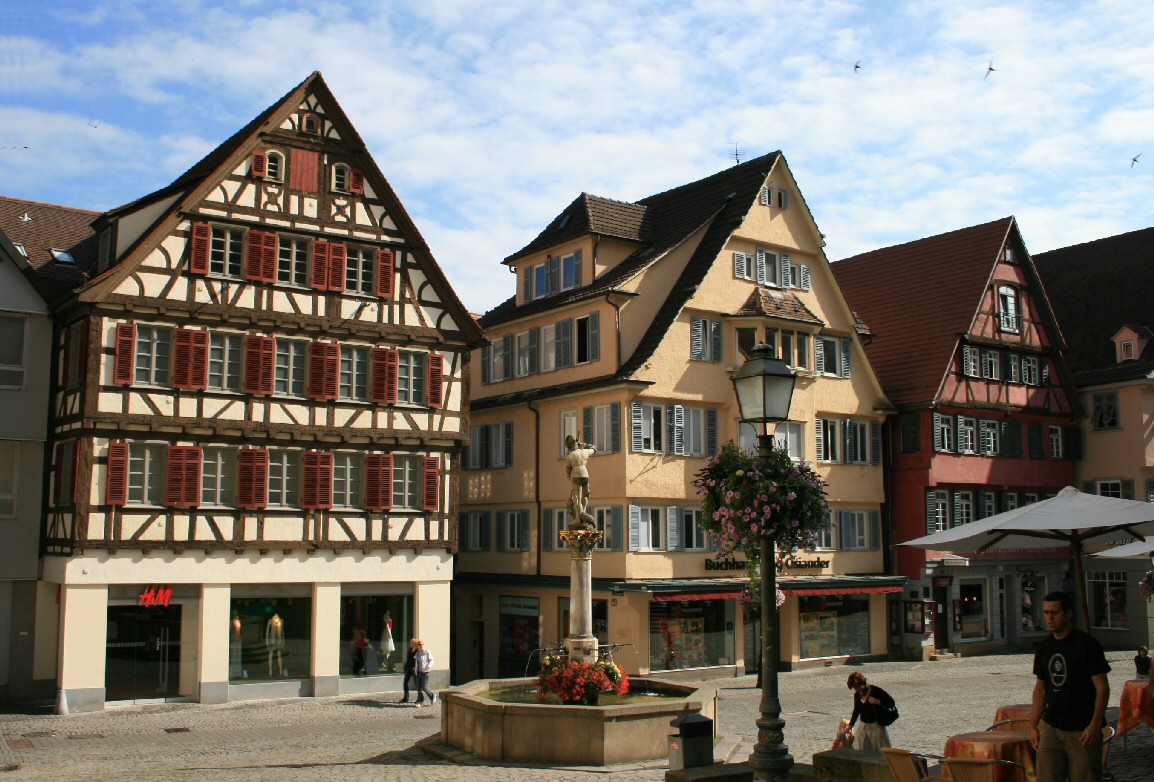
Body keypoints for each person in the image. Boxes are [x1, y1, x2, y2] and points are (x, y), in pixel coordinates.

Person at [1030, 591, 1110, 782]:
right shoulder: (1044, 647)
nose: (1049, 618)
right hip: (1052, 726)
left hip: (1081, 729)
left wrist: (1095, 724)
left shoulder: (1087, 644)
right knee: (1047, 776)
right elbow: (1040, 688)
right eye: (1046, 612)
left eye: (1054, 613)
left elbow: (1102, 687)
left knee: (1085, 776)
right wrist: (1033, 725)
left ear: (1069, 613)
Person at [846, 671, 895, 751]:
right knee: (859, 751)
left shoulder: (876, 691)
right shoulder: (857, 695)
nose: (856, 690)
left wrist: (878, 702)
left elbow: (891, 702)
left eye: (856, 687)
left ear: (862, 683)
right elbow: (857, 709)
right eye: (854, 688)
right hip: (863, 727)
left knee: (880, 753)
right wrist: (851, 724)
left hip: (877, 727)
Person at [564, 434, 596, 527]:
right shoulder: (585, 452)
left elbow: (568, 471)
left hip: (576, 475)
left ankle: (578, 518)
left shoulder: (570, 456)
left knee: (577, 498)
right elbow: (594, 449)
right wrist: (584, 445)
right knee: (585, 495)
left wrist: (569, 476)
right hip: (585, 474)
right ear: (576, 442)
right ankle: (584, 511)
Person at [413, 639, 436, 707]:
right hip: (419, 672)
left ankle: (432, 696)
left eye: (422, 644)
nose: (421, 646)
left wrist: (429, 666)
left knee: (424, 687)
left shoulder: (427, 652)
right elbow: (416, 662)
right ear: (417, 646)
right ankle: (420, 701)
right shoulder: (417, 654)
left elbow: (431, 660)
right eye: (420, 645)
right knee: (418, 687)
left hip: (425, 672)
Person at [399, 638, 418, 703]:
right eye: (410, 642)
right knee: (405, 682)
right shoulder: (410, 650)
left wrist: (415, 667)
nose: (410, 643)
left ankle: (419, 698)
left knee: (417, 684)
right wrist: (405, 667)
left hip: (414, 669)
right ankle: (406, 698)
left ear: (415, 643)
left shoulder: (417, 651)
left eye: (411, 642)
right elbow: (408, 659)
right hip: (409, 668)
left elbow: (418, 661)